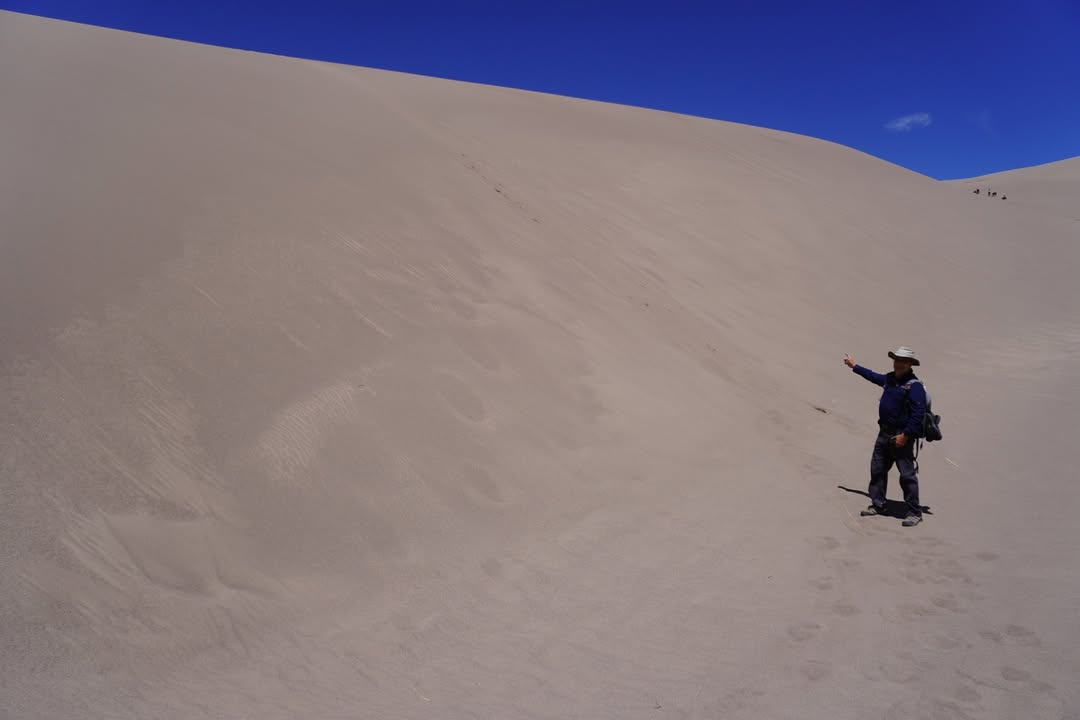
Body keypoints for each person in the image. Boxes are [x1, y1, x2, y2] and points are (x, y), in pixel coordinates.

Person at [843, 347, 927, 527]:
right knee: (878, 469)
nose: (898, 363)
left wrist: (905, 435)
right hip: (884, 434)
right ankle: (878, 504)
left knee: (906, 475)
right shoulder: (891, 378)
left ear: (910, 364)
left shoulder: (915, 386)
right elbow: (874, 376)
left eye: (902, 360)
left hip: (901, 436)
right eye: (896, 359)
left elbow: (918, 414)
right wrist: (854, 366)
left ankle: (914, 512)